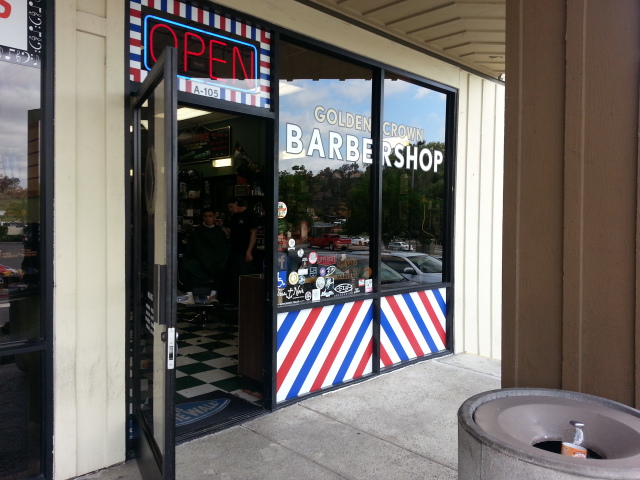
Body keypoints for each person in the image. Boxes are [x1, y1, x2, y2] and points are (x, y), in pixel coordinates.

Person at [179, 208, 230, 296]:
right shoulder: (197, 232)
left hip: (215, 261)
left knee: (224, 266)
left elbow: (224, 250)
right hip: (199, 261)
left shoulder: (219, 232)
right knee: (184, 266)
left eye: (210, 216)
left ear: (214, 217)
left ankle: (213, 294)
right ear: (203, 217)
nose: (208, 219)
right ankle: (189, 294)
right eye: (205, 216)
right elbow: (192, 248)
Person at [226, 196, 258, 305]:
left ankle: (246, 303)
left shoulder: (250, 214)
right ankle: (237, 302)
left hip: (245, 251)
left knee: (245, 277)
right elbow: (231, 232)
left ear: (237, 203)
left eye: (231, 206)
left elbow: (253, 233)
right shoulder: (234, 216)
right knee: (234, 278)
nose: (230, 209)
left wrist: (249, 251)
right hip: (234, 251)